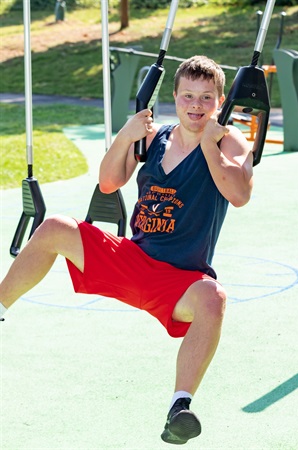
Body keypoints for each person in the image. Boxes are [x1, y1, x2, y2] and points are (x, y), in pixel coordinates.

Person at [0, 55, 253, 445]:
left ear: (219, 102)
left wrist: (209, 147)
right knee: (54, 228)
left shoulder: (229, 141)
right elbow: (107, 182)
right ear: (175, 96)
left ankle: (179, 408)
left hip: (179, 281)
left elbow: (238, 195)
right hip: (132, 260)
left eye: (206, 98)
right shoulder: (155, 137)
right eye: (188, 96)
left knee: (213, 298)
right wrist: (126, 135)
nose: (196, 105)